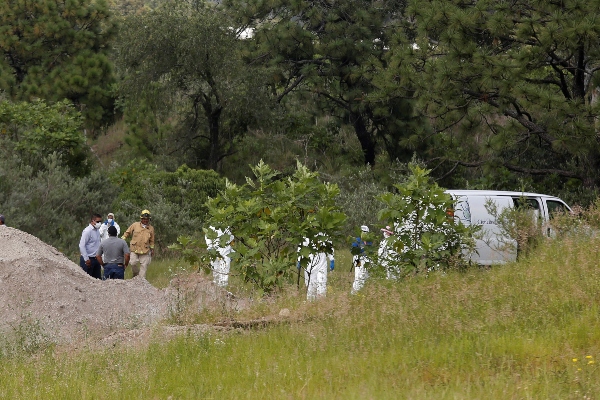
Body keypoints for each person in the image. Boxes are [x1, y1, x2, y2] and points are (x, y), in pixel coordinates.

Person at [298, 233, 334, 301]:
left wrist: (331, 259)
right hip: (310, 263)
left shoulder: (324, 233)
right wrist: (299, 259)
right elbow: (301, 247)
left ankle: (321, 305)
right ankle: (311, 306)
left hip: (322, 262)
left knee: (322, 284)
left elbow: (329, 246)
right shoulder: (307, 233)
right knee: (311, 286)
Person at [121, 209, 155, 279]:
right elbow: (127, 233)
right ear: (141, 218)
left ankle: (142, 281)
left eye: (147, 219)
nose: (145, 220)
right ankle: (136, 275)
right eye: (144, 219)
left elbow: (152, 240)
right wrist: (121, 240)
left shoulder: (151, 228)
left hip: (145, 250)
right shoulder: (135, 225)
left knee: (144, 266)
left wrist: (152, 249)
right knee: (133, 263)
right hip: (134, 249)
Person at [79, 213, 103, 279]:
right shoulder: (87, 231)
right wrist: (86, 259)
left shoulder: (97, 231)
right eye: (98, 221)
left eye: (100, 221)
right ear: (92, 221)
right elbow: (82, 245)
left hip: (96, 258)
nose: (99, 223)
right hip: (88, 259)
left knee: (97, 279)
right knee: (87, 279)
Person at [351, 225, 372, 294]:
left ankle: (362, 290)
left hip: (366, 259)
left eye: (365, 232)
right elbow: (353, 250)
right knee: (358, 274)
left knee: (365, 275)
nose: (364, 233)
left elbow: (370, 251)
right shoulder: (357, 240)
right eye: (363, 231)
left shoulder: (369, 241)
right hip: (358, 259)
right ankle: (355, 291)